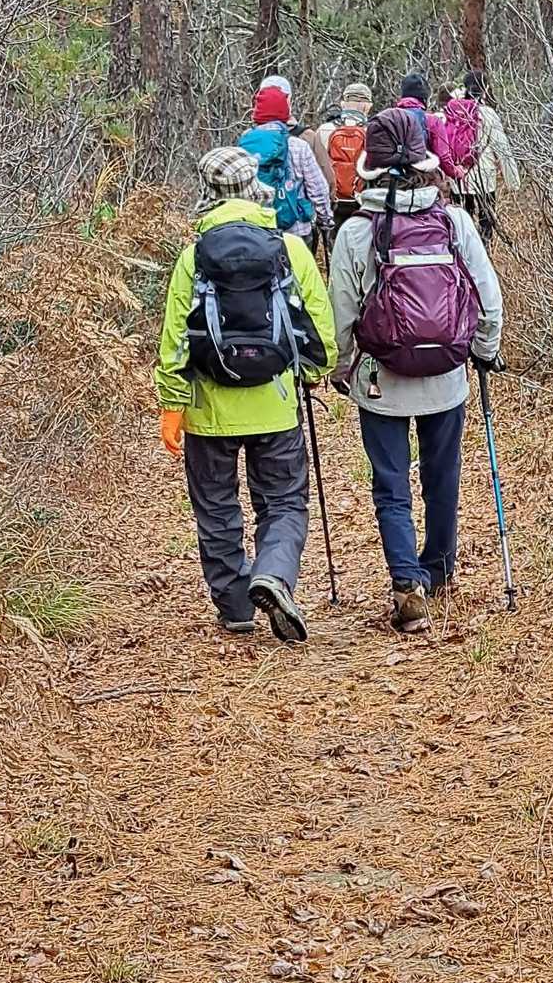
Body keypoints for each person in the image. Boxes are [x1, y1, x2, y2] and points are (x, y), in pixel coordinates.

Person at [328, 109, 504, 634]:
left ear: (370, 167)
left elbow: (342, 315)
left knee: (391, 484)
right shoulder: (454, 222)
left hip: (381, 381)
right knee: (441, 474)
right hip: (446, 377)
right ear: (425, 163)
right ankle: (440, 566)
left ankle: (407, 583)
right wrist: (484, 351)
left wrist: (342, 368)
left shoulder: (355, 233)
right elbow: (489, 300)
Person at [156, 147, 337, 643]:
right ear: (255, 189)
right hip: (275, 405)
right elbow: (321, 330)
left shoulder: (193, 258)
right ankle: (273, 574)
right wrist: (312, 373)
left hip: (208, 411)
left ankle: (236, 606)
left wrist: (172, 405)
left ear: (208, 193)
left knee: (216, 505)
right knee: (284, 501)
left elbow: (175, 341)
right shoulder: (289, 250)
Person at [240, 83, 333, 245]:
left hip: (256, 231)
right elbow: (318, 189)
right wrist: (325, 220)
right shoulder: (298, 145)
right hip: (296, 230)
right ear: (285, 114)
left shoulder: (245, 143)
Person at [451, 71, 521, 244]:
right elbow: (502, 149)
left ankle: (463, 254)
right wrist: (513, 182)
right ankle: (484, 251)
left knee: (462, 223)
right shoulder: (488, 114)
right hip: (484, 177)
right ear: (485, 89)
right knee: (485, 220)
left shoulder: (452, 110)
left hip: (458, 178)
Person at [259, 74, 336, 198]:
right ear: (289, 100)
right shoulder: (307, 137)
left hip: (259, 208)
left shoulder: (248, 139)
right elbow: (326, 182)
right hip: (296, 208)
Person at [318, 82, 373, 232]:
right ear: (367, 106)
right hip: (362, 201)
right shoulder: (373, 132)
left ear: (343, 104)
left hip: (333, 200)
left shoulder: (325, 130)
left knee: (335, 239)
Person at [394, 71, 460, 183]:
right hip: (423, 181)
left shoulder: (388, 118)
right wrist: (457, 173)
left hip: (391, 181)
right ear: (425, 97)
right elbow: (443, 157)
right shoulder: (433, 121)